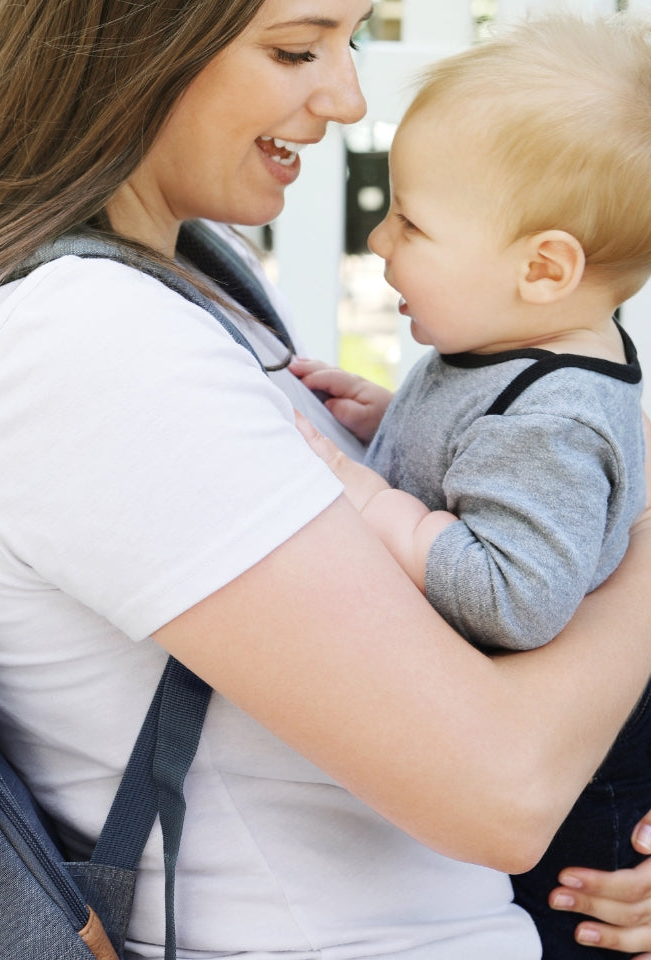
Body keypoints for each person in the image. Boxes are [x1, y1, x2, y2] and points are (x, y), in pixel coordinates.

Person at [0, 1, 651, 957]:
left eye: (347, 42)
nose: (347, 96)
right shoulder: (92, 340)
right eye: (295, 49)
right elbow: (505, 789)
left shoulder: (187, 273)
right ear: (138, 37)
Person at [291, 14, 651, 957]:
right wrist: (386, 419)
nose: (379, 236)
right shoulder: (517, 347)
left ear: (543, 268)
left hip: (580, 823)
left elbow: (512, 593)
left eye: (410, 220)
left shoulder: (555, 418)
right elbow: (483, 459)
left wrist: (369, 500)